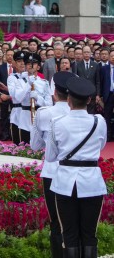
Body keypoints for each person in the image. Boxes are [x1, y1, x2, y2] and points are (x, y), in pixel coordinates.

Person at [46, 75, 108, 258]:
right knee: (89, 235)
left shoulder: (57, 123)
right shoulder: (99, 121)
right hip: (91, 181)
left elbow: (50, 156)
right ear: (89, 100)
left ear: (69, 100)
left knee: (70, 234)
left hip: (65, 182)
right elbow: (101, 145)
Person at [31, 71, 73, 258]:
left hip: (52, 171)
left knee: (56, 221)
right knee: (74, 221)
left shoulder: (44, 113)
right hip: (75, 172)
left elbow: (35, 145)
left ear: (54, 92)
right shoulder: (84, 115)